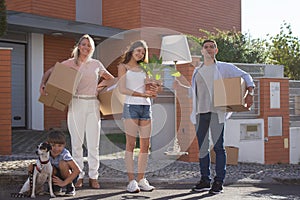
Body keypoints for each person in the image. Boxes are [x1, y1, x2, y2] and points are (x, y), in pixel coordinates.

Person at [175, 39, 255, 194]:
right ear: (202, 51)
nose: (209, 49)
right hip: (200, 114)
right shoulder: (197, 71)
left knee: (218, 147)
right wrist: (180, 87)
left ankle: (219, 182)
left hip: (216, 113)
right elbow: (194, 93)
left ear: (216, 51)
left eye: (212, 47)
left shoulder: (224, 67)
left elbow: (246, 76)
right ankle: (205, 180)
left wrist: (250, 93)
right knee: (203, 149)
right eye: (206, 47)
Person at [39, 34, 114, 189]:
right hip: (76, 104)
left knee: (93, 144)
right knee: (77, 143)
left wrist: (98, 88)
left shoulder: (96, 64)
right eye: (84, 44)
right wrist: (42, 83)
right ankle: (78, 175)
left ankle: (94, 176)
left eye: (89, 46)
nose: (86, 48)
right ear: (79, 46)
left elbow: (110, 79)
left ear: (92, 49)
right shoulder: (70, 63)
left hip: (93, 104)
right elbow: (50, 71)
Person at [117, 40, 158, 193]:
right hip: (131, 106)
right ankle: (131, 181)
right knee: (130, 144)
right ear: (132, 50)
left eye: (143, 52)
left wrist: (154, 87)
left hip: (146, 107)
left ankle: (141, 179)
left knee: (145, 146)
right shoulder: (123, 67)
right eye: (138, 51)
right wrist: (141, 94)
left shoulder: (145, 69)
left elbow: (151, 90)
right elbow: (122, 89)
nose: (140, 54)